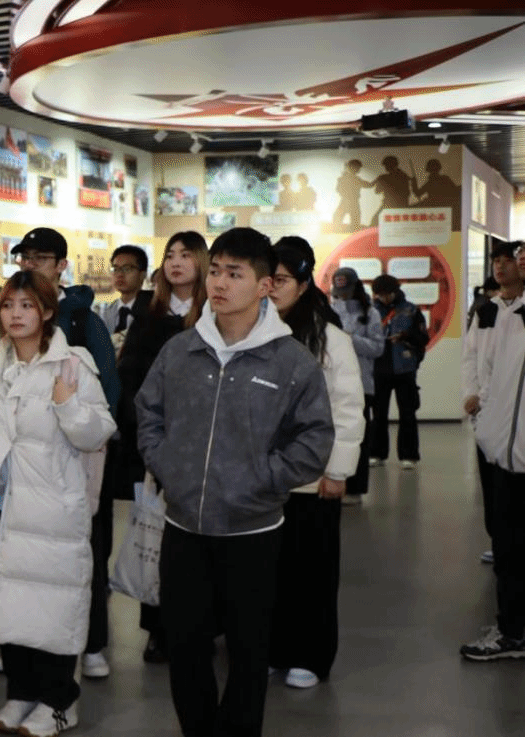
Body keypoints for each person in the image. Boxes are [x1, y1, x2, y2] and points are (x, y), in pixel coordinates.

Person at [135, 227, 334, 737]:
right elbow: (148, 412)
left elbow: (314, 439)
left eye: (235, 273)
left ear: (265, 285)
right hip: (184, 527)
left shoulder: (290, 361)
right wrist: (168, 465)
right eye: (217, 271)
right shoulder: (181, 350)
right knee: (185, 649)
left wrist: (263, 481)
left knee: (248, 653)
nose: (220, 283)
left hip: (252, 532)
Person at [0, 270, 116, 737]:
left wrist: (67, 405)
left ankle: (61, 702)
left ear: (46, 312)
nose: (15, 314)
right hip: (1, 508)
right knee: (9, 603)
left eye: (26, 305)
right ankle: (22, 694)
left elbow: (97, 433)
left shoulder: (72, 365)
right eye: (7, 305)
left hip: (51, 511)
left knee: (53, 608)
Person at [0, 226, 120, 679]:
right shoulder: (5, 327)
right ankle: (21, 647)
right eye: (24, 257)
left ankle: (91, 643)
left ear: (61, 265)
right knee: (21, 565)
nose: (30, 264)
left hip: (72, 465)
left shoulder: (83, 319)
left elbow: (107, 392)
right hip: (19, 472)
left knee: (82, 557)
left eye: (41, 257)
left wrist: (75, 419)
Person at [266, 237, 364, 689]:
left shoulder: (330, 339)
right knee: (269, 570)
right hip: (264, 478)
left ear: (303, 284)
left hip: (312, 475)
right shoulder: (252, 331)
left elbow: (348, 407)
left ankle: (311, 653)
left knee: (312, 569)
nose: (272, 287)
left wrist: (338, 469)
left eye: (281, 280)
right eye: (268, 279)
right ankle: (274, 648)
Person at [117, 231, 209, 664]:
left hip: (205, 445)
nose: (175, 262)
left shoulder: (212, 313)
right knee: (158, 539)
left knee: (199, 542)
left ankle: (202, 626)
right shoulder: (149, 314)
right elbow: (131, 377)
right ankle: (158, 628)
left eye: (186, 255)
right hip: (156, 446)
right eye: (170, 255)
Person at [463, 242, 525, 661]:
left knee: (515, 545)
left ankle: (513, 632)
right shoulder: (492, 313)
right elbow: (477, 363)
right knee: (507, 543)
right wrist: (478, 409)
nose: (506, 266)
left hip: (515, 448)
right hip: (500, 446)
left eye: (513, 259)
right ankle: (512, 629)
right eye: (499, 261)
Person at [330, 268, 385, 505]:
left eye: (346, 289)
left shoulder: (370, 313)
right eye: (338, 289)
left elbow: (377, 348)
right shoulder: (330, 310)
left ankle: (355, 488)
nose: (341, 294)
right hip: (332, 383)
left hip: (362, 384)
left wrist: (349, 339)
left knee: (358, 437)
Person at [369, 274, 428, 469]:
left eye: (387, 294)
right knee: (378, 415)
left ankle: (409, 456)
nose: (384, 298)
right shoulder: (370, 311)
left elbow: (423, 338)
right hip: (378, 369)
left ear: (395, 291)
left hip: (405, 369)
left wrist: (405, 336)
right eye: (380, 295)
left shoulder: (410, 310)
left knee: (407, 414)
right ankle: (377, 453)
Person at [96, 244, 152, 357]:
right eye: (115, 269)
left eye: (127, 269)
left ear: (143, 274)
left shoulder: (153, 311)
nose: (120, 274)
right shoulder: (104, 313)